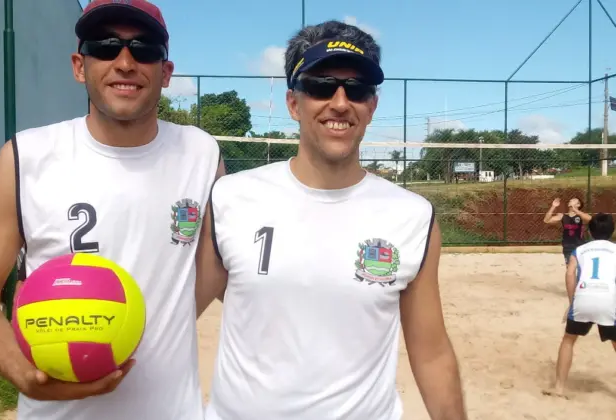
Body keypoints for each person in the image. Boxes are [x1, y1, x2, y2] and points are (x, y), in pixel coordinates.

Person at [196, 20, 467, 420]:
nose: (340, 102)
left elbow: (431, 353)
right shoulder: (231, 198)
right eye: (322, 85)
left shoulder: (412, 217)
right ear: (294, 103)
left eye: (356, 90)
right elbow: (178, 315)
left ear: (371, 107)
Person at [0, 1, 223, 419]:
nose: (124, 62)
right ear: (79, 66)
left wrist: (146, 325)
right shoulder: (25, 156)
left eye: (144, 48)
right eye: (105, 47)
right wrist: (22, 375)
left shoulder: (201, 153)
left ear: (166, 73)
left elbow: (215, 269)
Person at [543, 213, 616, 399]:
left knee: (568, 340)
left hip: (583, 297)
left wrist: (571, 302)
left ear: (589, 232)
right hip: (608, 300)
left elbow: (570, 274)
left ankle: (559, 388)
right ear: (612, 231)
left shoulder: (580, 250)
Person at [543, 197, 591, 265]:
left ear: (578, 204)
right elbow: (546, 220)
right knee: (569, 267)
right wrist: (553, 206)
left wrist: (575, 210)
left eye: (574, 200)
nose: (570, 200)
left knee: (581, 267)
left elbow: (590, 219)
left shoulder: (581, 216)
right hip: (568, 245)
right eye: (570, 200)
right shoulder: (562, 216)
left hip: (580, 245)